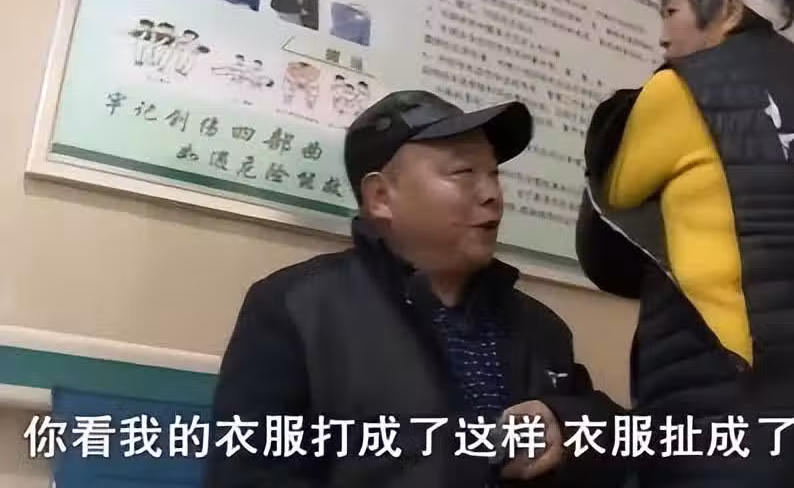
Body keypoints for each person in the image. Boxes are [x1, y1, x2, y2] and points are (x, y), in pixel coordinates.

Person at [576, 0, 794, 488]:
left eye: (671, 12)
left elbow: (611, 224)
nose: (662, 34)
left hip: (726, 410)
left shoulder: (679, 89)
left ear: (727, 10)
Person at [202, 90, 629, 488]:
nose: (492, 195)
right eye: (464, 173)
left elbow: (618, 440)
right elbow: (248, 475)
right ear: (381, 197)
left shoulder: (540, 327)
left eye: (494, 174)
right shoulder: (294, 309)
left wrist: (565, 425)